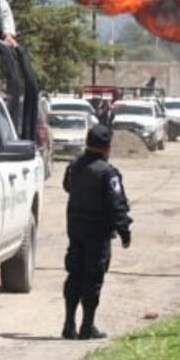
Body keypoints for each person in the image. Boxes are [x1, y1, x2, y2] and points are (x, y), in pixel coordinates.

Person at [61, 125, 132, 340]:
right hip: (97, 233)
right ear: (107, 147)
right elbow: (117, 204)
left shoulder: (73, 166)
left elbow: (67, 187)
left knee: (74, 274)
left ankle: (68, 324)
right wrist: (124, 231)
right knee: (93, 277)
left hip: (75, 229)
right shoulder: (107, 173)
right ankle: (87, 326)